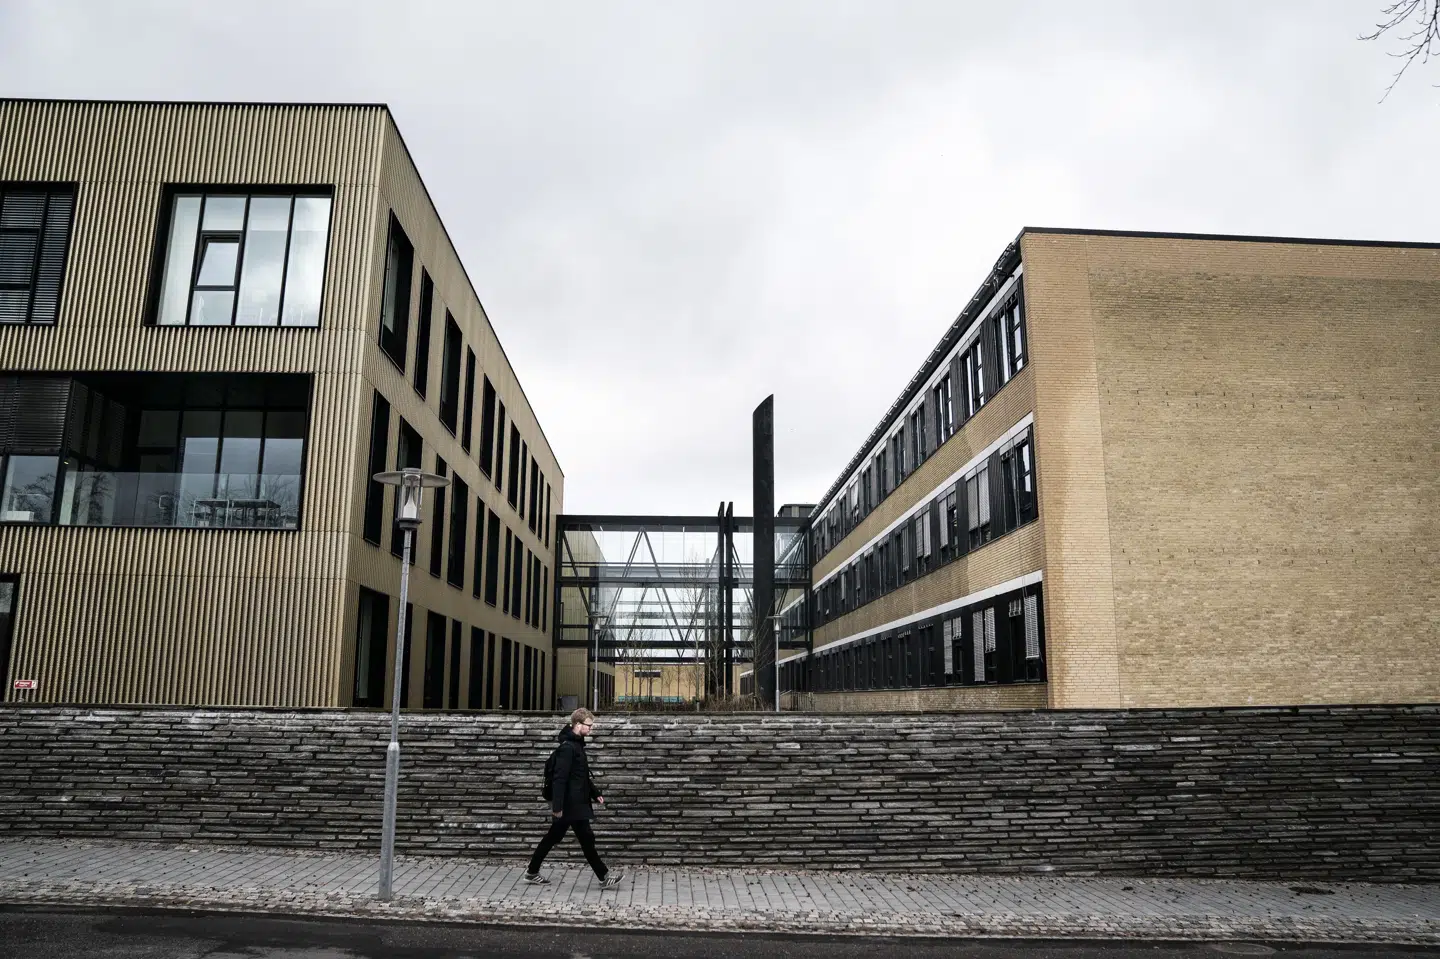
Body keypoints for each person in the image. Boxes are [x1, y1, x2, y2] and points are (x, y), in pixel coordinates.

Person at [524, 707, 623, 888]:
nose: (590, 729)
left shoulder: (577, 744)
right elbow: (559, 780)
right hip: (571, 805)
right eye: (588, 726)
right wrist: (557, 807)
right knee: (586, 839)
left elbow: (581, 775)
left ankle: (532, 871)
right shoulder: (568, 748)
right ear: (577, 724)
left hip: (576, 803)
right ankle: (603, 876)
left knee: (554, 837)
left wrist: (595, 793)